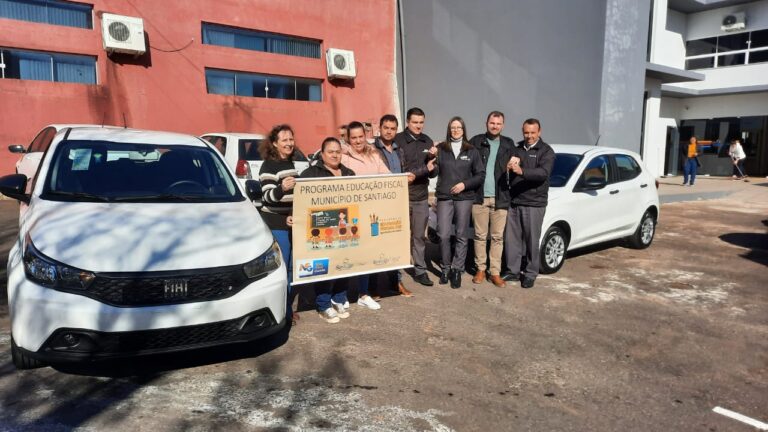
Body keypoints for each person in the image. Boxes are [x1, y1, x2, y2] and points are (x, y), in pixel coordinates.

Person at [300, 137, 357, 323]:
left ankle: (338, 299)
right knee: (323, 267)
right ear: (322, 154)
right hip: (322, 228)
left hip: (344, 227)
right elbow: (301, 201)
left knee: (344, 263)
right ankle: (323, 304)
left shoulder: (349, 173)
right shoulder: (310, 174)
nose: (334, 155)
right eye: (330, 152)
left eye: (338, 152)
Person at [340, 121, 390, 310]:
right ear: (348, 139)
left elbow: (387, 176)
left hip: (370, 213)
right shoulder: (343, 156)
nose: (358, 140)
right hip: (349, 213)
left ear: (365, 136)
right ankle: (342, 294)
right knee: (346, 254)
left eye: (360, 136)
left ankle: (363, 293)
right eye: (354, 138)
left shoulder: (374, 155)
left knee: (366, 254)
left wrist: (403, 179)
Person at [431, 116, 485, 288]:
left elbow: (480, 175)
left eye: (458, 127)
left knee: (461, 235)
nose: (455, 130)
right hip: (445, 197)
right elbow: (433, 173)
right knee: (443, 234)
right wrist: (430, 160)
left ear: (463, 130)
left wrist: (464, 184)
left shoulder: (471, 150)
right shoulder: (441, 149)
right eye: (452, 127)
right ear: (449, 130)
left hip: (464, 197)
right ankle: (445, 268)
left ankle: (457, 270)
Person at [505, 118, 555, 289]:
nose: (529, 136)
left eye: (533, 132)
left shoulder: (546, 151)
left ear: (539, 132)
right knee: (512, 240)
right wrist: (509, 165)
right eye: (526, 132)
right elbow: (508, 167)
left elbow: (543, 173)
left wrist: (522, 171)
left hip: (534, 202)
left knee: (532, 241)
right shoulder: (517, 148)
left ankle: (530, 273)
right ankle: (513, 270)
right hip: (515, 200)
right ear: (522, 131)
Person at [258, 124, 300, 324]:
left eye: (291, 139)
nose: (289, 143)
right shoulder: (268, 166)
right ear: (275, 143)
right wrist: (281, 188)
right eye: (284, 140)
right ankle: (281, 311)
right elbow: (267, 197)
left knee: (292, 268)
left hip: (292, 221)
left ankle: (287, 307)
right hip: (276, 223)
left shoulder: (291, 163)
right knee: (281, 269)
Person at [469, 111, 515, 287]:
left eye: (498, 123)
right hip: (479, 196)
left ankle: (494, 272)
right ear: (486, 123)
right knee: (480, 236)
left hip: (500, 197)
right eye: (492, 123)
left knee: (497, 237)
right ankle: (480, 269)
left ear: (503, 125)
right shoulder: (476, 141)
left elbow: (517, 164)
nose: (495, 126)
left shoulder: (509, 144)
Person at [394, 107, 437, 287]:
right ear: (407, 122)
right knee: (398, 236)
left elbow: (433, 172)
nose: (418, 126)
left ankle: (420, 271)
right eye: (414, 122)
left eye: (421, 122)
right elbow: (403, 171)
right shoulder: (397, 140)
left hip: (420, 197)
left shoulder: (427, 140)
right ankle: (394, 273)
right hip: (400, 197)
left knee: (419, 237)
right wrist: (425, 169)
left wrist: (433, 160)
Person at [373, 114, 414, 297]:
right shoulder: (372, 150)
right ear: (379, 129)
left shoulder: (399, 150)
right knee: (375, 245)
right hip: (378, 204)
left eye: (392, 128)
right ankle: (372, 286)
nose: (389, 131)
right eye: (386, 128)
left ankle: (396, 282)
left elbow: (403, 172)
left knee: (396, 244)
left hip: (396, 204)